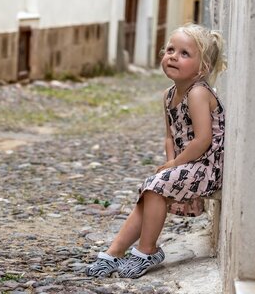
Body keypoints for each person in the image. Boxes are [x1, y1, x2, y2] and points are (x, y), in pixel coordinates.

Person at [85, 24, 227, 279]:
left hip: (207, 166)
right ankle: (114, 252)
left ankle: (147, 250)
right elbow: (169, 136)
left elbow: (203, 140)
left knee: (155, 187)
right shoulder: (168, 95)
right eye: (170, 49)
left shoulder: (197, 93)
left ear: (202, 68)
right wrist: (171, 161)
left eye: (185, 54)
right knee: (151, 190)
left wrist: (174, 165)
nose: (173, 56)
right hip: (187, 163)